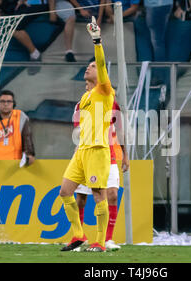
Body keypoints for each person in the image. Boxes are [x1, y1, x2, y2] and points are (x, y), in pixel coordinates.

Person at [59, 17, 115, 252]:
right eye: (87, 66)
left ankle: (100, 242)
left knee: (98, 194)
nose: (88, 67)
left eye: (91, 66)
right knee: (65, 191)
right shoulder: (85, 97)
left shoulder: (104, 89)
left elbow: (101, 65)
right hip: (81, 150)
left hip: (98, 150)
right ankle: (78, 235)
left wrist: (97, 41)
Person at [73, 100, 129, 251]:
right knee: (81, 198)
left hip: (108, 158)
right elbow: (77, 133)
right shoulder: (82, 104)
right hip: (86, 157)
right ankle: (79, 238)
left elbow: (120, 131)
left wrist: (125, 155)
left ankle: (107, 239)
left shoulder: (113, 104)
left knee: (112, 195)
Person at [0, 90, 35, 165]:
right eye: (2, 101)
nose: (6, 104)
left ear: (13, 103)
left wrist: (29, 154)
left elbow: (27, 136)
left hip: (15, 164)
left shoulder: (20, 116)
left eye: (9, 101)